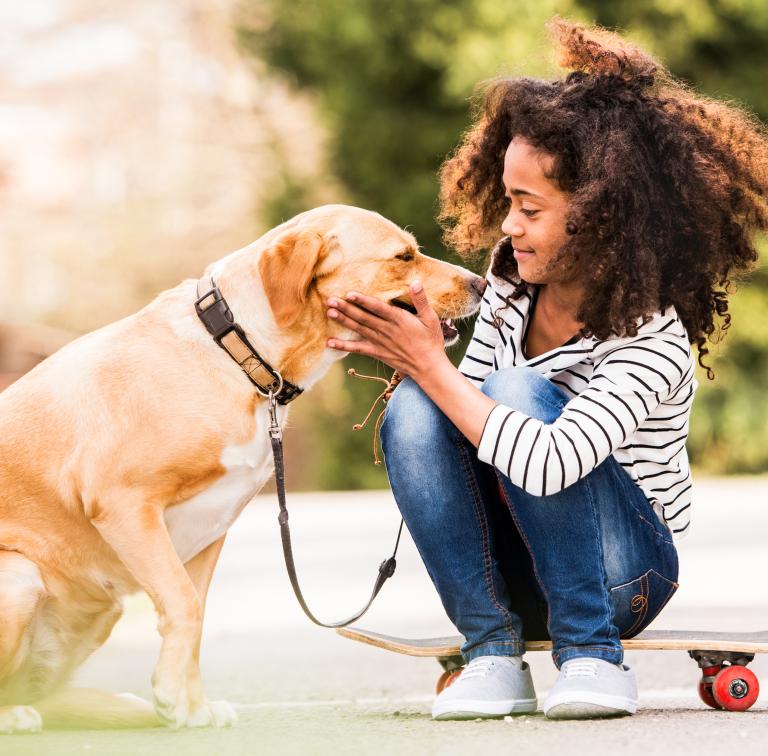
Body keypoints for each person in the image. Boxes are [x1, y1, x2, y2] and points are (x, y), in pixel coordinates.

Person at [325, 18, 768, 720]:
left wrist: (436, 371)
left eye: (529, 208)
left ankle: (592, 656)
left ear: (599, 217)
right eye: (507, 201)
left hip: (626, 576)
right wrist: (414, 359)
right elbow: (465, 426)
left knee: (509, 390)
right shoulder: (510, 285)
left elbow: (552, 461)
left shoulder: (653, 337)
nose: (508, 225)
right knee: (417, 406)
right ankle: (492, 653)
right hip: (517, 564)